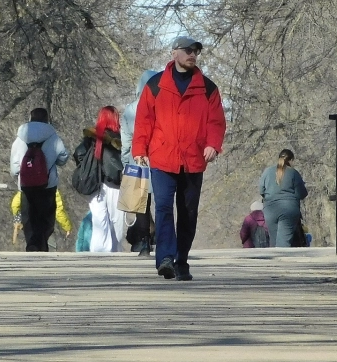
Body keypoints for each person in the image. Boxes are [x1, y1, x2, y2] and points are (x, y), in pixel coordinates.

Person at [132, 36, 226, 281]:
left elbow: (216, 122)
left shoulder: (208, 88)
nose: (193, 54)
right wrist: (139, 149)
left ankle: (181, 260)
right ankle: (165, 258)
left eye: (196, 51)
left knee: (188, 212)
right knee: (163, 207)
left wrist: (213, 145)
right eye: (188, 50)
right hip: (163, 157)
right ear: (174, 53)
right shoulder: (155, 85)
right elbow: (144, 120)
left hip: (193, 159)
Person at [10, 108, 69, 251]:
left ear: (30, 118)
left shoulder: (20, 138)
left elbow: (14, 167)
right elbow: (63, 156)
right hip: (47, 185)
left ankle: (32, 243)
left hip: (26, 185)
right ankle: (40, 243)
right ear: (47, 119)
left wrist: (21, 177)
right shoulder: (53, 136)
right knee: (45, 216)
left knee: (29, 215)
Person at [74, 106, 125, 252]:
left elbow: (79, 153)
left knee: (99, 222)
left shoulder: (90, 137)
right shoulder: (118, 139)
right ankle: (114, 253)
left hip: (94, 184)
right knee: (117, 223)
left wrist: (88, 167)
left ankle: (98, 253)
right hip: (114, 185)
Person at [122, 69, 157, 256]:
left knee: (140, 205)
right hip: (160, 159)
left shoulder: (130, 109)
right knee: (162, 202)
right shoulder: (163, 105)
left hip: (136, 160)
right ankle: (164, 238)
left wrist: (125, 162)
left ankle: (143, 242)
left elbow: (126, 141)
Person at [258, 149, 309, 248]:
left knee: (273, 241)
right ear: (291, 160)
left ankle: (274, 262)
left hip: (270, 209)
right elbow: (302, 194)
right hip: (289, 209)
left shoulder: (267, 171)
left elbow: (261, 190)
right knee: (284, 242)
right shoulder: (293, 173)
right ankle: (282, 262)